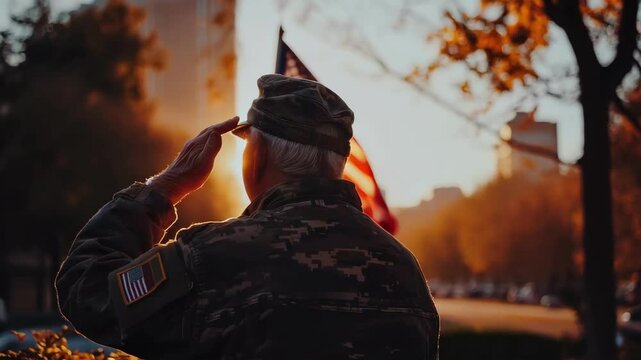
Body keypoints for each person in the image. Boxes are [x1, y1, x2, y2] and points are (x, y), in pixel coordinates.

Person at [56, 74, 439, 359]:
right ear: (338, 164)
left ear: (257, 157)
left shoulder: (213, 257)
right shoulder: (403, 270)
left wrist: (165, 187)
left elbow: (86, 289)